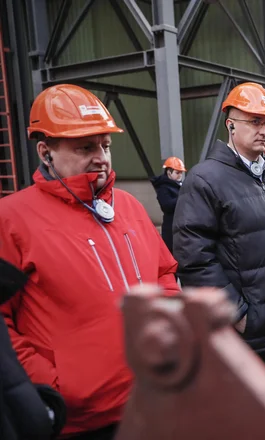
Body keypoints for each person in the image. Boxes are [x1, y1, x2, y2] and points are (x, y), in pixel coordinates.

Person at [0, 84, 180, 439]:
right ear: (45, 151)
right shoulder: (11, 219)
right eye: (85, 146)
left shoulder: (128, 206)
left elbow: (164, 273)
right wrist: (51, 384)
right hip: (79, 420)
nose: (101, 156)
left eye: (105, 145)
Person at [173, 82, 265, 371]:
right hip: (246, 336)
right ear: (231, 126)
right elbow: (194, 259)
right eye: (254, 121)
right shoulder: (204, 180)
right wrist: (236, 314)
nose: (263, 130)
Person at [0, 258, 66, 440]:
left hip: (131, 406)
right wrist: (51, 385)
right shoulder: (13, 231)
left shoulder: (140, 229)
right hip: (66, 418)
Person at [151, 156, 186, 252]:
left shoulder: (180, 186)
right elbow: (166, 205)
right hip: (171, 228)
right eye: (177, 173)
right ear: (169, 172)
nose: (180, 175)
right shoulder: (163, 188)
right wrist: (183, 198)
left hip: (181, 226)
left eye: (181, 173)